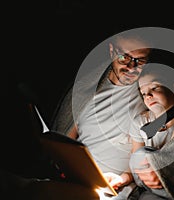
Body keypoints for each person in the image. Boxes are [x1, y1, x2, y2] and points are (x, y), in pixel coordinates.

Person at [50, 31, 153, 199]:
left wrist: (123, 179)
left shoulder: (149, 93)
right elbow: (65, 137)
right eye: (124, 57)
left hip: (117, 189)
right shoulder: (86, 88)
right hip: (76, 181)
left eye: (140, 60)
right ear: (112, 50)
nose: (131, 66)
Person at [129, 64, 174, 199]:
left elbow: (173, 159)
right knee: (140, 155)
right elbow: (136, 164)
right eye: (143, 93)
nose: (148, 95)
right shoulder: (141, 122)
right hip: (151, 185)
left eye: (154, 88)